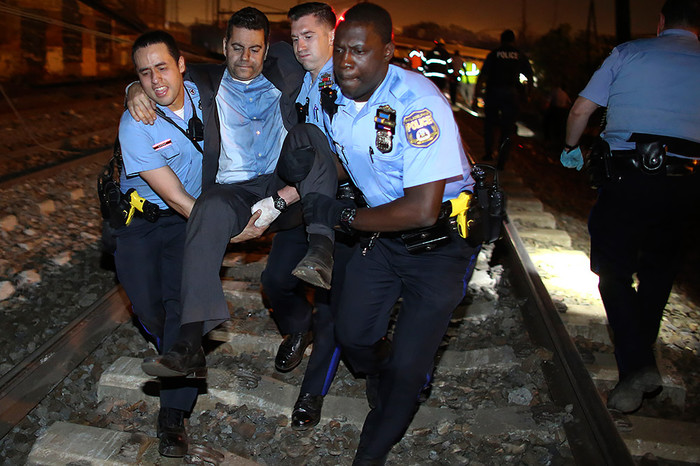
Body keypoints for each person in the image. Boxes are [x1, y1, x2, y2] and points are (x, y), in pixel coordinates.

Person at [303, 4, 480, 463]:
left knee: (407, 367)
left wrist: (343, 217)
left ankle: (373, 448)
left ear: (387, 51)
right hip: (382, 233)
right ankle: (385, 372)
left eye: (359, 51)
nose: (346, 62)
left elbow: (422, 210)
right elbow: (345, 156)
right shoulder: (332, 91)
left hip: (440, 243)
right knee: (353, 334)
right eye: (341, 50)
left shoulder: (418, 105)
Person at [126, 8, 339, 379]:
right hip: (235, 190)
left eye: (255, 49)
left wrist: (284, 196)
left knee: (309, 135)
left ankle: (322, 248)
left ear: (268, 49)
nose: (245, 58)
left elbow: (324, 53)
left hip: (286, 184)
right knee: (206, 208)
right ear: (224, 46)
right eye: (237, 48)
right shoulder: (203, 79)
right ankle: (189, 344)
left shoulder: (286, 66)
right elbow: (157, 76)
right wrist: (132, 90)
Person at [560, 0, 700, 414]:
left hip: (627, 177)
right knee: (659, 272)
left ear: (661, 22)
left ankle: (637, 365)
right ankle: (635, 369)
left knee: (613, 271)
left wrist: (571, 147)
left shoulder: (628, 53)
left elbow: (581, 109)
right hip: (686, 183)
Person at [259, 1, 351, 431]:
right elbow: (228, 70)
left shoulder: (350, 81)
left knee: (332, 303)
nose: (299, 46)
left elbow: (349, 158)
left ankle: (312, 393)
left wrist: (285, 196)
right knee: (275, 280)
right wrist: (135, 89)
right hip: (306, 203)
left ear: (333, 36)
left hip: (345, 206)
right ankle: (298, 326)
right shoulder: (300, 78)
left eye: (309, 36)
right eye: (295, 37)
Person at [115, 30, 203, 458]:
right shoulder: (135, 122)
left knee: (179, 306)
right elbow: (175, 197)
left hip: (187, 223)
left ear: (182, 65)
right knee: (148, 306)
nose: (155, 80)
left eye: (162, 67)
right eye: (144, 74)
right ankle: (171, 340)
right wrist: (131, 91)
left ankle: (173, 416)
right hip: (143, 219)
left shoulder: (208, 96)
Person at [474, 29, 533, 164]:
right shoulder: (520, 55)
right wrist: (527, 95)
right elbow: (530, 77)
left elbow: (483, 76)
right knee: (508, 128)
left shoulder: (494, 54)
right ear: (513, 41)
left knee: (490, 124)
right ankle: (502, 159)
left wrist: (476, 95)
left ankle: (489, 153)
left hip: (493, 93)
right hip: (512, 95)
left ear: (501, 40)